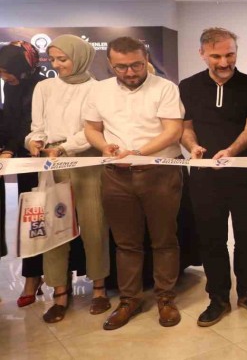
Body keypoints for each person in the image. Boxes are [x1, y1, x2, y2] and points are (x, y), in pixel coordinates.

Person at [84, 36, 185, 331]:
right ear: (110, 64)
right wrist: (104, 146)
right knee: (126, 242)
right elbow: (91, 128)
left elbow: (173, 131)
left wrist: (138, 152)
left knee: (164, 239)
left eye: (136, 65)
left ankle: (165, 298)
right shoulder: (99, 90)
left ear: (146, 59)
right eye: (122, 67)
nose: (130, 72)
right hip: (116, 175)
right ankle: (130, 299)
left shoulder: (164, 88)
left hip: (159, 172)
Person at [180, 28, 247, 327]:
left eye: (230, 55)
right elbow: (186, 127)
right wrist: (193, 146)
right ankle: (218, 297)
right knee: (211, 240)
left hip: (246, 175)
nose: (224, 62)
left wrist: (230, 151)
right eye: (216, 56)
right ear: (202, 54)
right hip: (204, 176)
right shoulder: (188, 86)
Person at [25, 35, 111, 323]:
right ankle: (59, 292)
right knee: (53, 227)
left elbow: (93, 130)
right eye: (53, 59)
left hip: (87, 162)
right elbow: (37, 126)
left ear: (81, 57)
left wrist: (64, 147)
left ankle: (99, 288)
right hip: (51, 164)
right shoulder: (44, 87)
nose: (56, 64)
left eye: (63, 59)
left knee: (94, 225)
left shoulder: (98, 89)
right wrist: (35, 142)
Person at [0, 41, 45, 307]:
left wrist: (10, 148)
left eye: (7, 72)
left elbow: (31, 123)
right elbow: (10, 120)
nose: (4, 77)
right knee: (31, 221)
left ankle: (59, 277)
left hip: (43, 158)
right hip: (23, 162)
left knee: (55, 217)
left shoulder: (42, 85)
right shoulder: (11, 86)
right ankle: (32, 276)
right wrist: (7, 147)